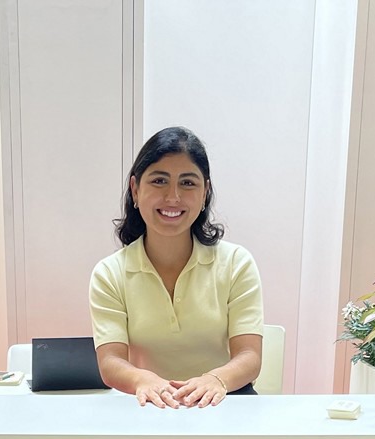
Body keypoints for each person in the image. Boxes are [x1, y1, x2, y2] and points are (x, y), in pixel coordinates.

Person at [90, 126, 262, 408]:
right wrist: (143, 380)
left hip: (223, 403)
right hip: (149, 404)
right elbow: (110, 362)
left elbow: (250, 357)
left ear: (205, 192)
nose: (173, 197)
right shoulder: (109, 273)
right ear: (135, 189)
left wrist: (215, 380)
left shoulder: (236, 263)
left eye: (188, 183)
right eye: (159, 181)